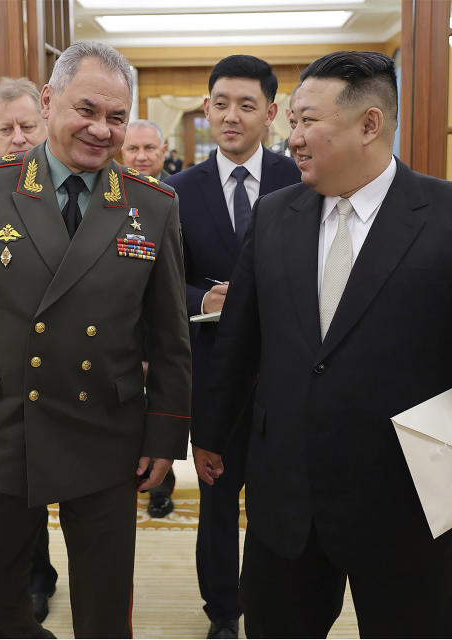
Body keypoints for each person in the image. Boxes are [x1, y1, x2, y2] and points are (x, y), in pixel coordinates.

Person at [192, 51, 452, 638]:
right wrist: (212, 433)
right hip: (287, 496)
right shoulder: (275, 216)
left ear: (369, 125)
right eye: (292, 122)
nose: (291, 138)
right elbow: (240, 341)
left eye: (306, 121)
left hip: (410, 493)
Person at [0, 41, 191, 639]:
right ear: (48, 99)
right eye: (87, 109)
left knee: (106, 607)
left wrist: (165, 433)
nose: (101, 129)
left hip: (107, 431)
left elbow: (169, 338)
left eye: (117, 117)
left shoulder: (152, 206)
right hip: (8, 420)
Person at [165, 54, 301, 639]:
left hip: (282, 372)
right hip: (212, 369)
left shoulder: (301, 181)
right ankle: (222, 609)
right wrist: (207, 297)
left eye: (247, 105)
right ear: (206, 108)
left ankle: (274, 602)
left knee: (278, 497)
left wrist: (247, 297)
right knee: (217, 499)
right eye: (221, 103)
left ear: (271, 114)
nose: (232, 116)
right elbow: (166, 279)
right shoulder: (176, 191)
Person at [0, 75, 58, 624]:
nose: (18, 139)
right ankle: (37, 575)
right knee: (17, 499)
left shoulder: (77, 188)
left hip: (75, 376)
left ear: (46, 123)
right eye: (5, 129)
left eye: (27, 126)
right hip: (8, 379)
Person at [120, 119, 178, 519]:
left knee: (160, 415)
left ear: (164, 151)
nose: (141, 157)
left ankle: (162, 487)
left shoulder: (174, 198)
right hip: (120, 340)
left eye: (148, 149)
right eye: (132, 149)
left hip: (165, 335)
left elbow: (171, 288)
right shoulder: (108, 198)